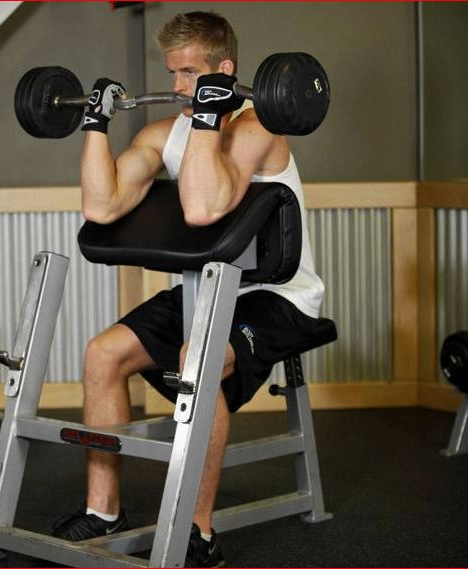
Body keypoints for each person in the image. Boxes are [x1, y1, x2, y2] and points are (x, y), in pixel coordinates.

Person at [52, 11, 325, 567]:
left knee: (195, 360)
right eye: (171, 73)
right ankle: (103, 511)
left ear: (224, 71)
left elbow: (203, 209)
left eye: (189, 73)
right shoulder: (162, 134)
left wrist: (208, 116)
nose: (176, 86)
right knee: (102, 354)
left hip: (278, 297)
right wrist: (95, 126)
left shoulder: (260, 128)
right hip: (207, 290)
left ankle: (197, 532)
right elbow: (100, 206)